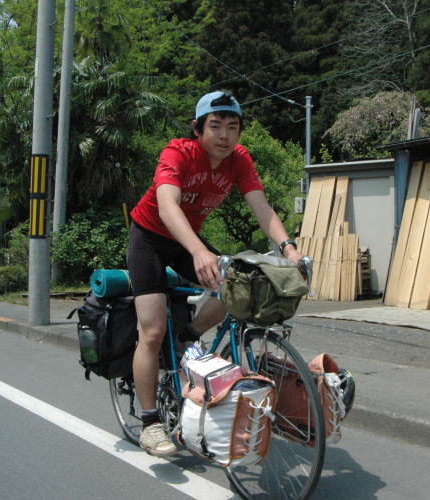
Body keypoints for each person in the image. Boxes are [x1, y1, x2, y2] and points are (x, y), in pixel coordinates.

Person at [127, 91, 303, 456]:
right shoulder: (178, 153)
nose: (224, 135)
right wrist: (198, 251)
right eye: (215, 126)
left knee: (237, 287)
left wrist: (288, 247)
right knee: (152, 331)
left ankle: (187, 337)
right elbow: (167, 205)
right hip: (149, 238)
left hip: (185, 239)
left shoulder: (239, 160)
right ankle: (149, 423)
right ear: (197, 128)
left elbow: (262, 207)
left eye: (232, 127)